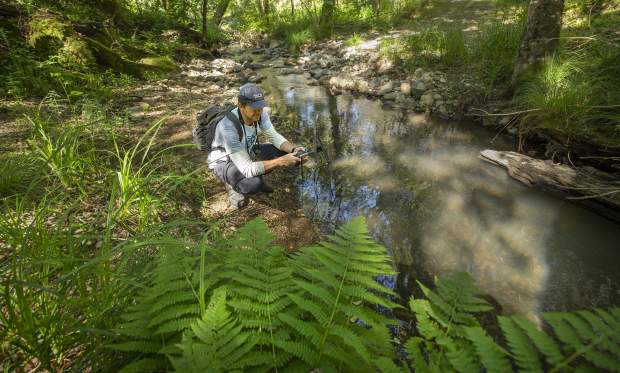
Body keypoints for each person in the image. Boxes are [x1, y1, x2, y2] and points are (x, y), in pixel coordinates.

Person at [208, 83, 306, 209]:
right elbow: (247, 169)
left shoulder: (260, 113)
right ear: (241, 106)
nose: (259, 111)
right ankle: (232, 186)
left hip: (245, 152)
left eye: (260, 106)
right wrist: (281, 161)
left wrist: (294, 150)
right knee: (252, 184)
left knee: (285, 153)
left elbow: (274, 136)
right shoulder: (228, 127)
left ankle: (259, 178)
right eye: (254, 107)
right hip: (224, 162)